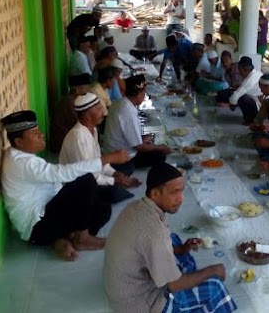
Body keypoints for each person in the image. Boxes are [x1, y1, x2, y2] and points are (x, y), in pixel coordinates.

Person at [104, 163, 237, 313]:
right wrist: (211, 270)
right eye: (174, 192)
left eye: (182, 191)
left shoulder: (137, 206)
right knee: (214, 286)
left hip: (122, 286)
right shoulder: (154, 231)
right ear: (155, 194)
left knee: (172, 239)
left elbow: (151, 244)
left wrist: (181, 249)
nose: (181, 199)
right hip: (139, 304)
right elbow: (173, 285)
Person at [0, 110, 130, 261]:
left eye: (39, 131)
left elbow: (55, 186)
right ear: (19, 142)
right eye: (34, 133)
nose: (41, 135)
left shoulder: (20, 156)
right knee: (86, 180)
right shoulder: (22, 163)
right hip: (36, 228)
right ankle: (80, 239)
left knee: (102, 208)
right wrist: (107, 158)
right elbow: (61, 173)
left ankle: (62, 238)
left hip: (45, 217)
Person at [60, 93, 140, 203]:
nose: (103, 112)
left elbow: (98, 161)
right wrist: (114, 181)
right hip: (77, 185)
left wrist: (114, 174)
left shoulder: (93, 130)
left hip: (92, 176)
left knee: (127, 167)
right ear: (88, 115)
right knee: (111, 194)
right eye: (99, 109)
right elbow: (87, 175)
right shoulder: (78, 137)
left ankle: (118, 184)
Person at [103, 75, 171, 176]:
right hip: (119, 156)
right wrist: (160, 147)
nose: (144, 95)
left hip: (113, 148)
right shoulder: (128, 112)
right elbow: (139, 147)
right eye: (143, 92)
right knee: (159, 155)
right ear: (138, 94)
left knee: (151, 144)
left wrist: (142, 138)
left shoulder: (120, 103)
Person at [49, 73, 91, 153]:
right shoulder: (69, 102)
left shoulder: (73, 100)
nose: (88, 91)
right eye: (86, 88)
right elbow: (78, 123)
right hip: (61, 144)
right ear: (77, 89)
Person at [228, 56, 263, 125]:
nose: (239, 72)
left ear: (244, 69)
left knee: (242, 97)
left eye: (239, 69)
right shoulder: (255, 74)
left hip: (259, 106)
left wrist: (232, 104)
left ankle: (251, 120)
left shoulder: (251, 79)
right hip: (257, 102)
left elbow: (237, 95)